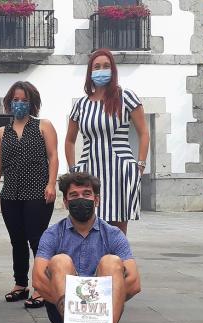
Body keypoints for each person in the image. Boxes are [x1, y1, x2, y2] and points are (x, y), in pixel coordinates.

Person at [32, 172, 141, 323]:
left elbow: (134, 282)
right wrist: (75, 311)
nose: (80, 198)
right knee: (60, 260)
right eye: (74, 195)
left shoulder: (113, 234)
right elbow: (38, 280)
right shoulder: (52, 234)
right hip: (63, 314)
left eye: (87, 194)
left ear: (96, 200)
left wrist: (98, 306)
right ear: (65, 202)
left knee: (111, 261)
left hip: (105, 313)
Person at [65, 48, 149, 235]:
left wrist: (140, 165)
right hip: (89, 171)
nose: (101, 70)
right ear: (90, 72)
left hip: (120, 170)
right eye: (96, 66)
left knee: (117, 229)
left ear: (113, 70)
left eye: (106, 66)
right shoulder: (81, 105)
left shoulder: (126, 98)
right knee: (87, 225)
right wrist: (73, 170)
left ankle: (117, 264)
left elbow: (143, 132)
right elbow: (70, 140)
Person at [0, 81, 58, 308]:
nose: (19, 104)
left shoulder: (43, 126)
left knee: (37, 241)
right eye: (15, 100)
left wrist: (51, 184)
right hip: (10, 194)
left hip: (38, 194)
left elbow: (53, 156)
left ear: (33, 103)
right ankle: (20, 284)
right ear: (9, 103)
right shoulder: (2, 132)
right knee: (17, 241)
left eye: (24, 100)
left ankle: (41, 287)